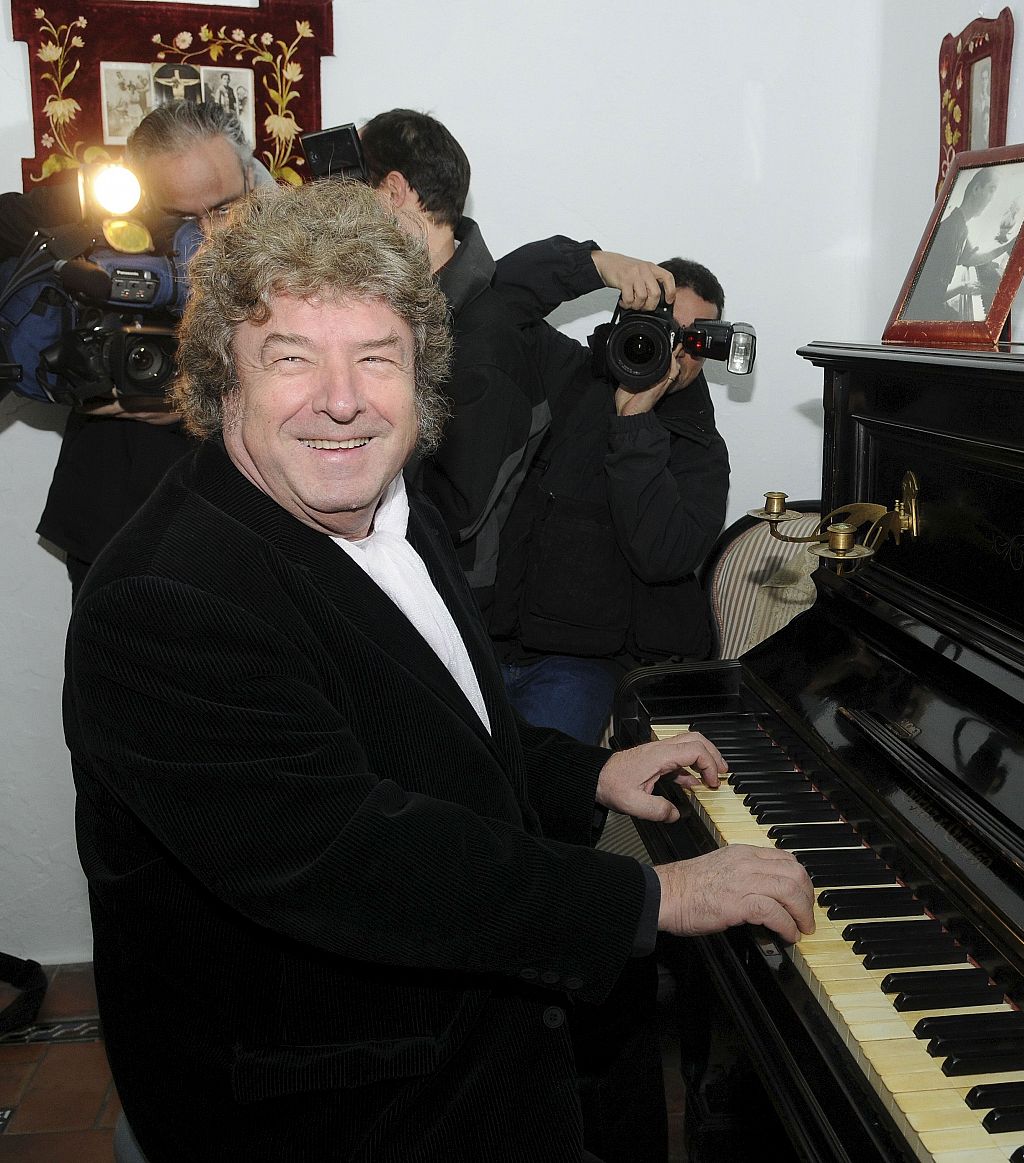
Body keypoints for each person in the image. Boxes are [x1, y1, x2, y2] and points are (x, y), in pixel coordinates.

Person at [63, 179, 814, 1162]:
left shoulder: (386, 508)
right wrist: (653, 899)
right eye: (291, 358)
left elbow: (433, 733)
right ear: (220, 379)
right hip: (336, 1115)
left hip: (468, 1063)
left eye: (377, 358)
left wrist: (574, 769)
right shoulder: (165, 598)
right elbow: (350, 855)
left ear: (420, 377)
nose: (342, 399)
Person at [18, 100, 269, 592]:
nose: (208, 235)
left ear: (249, 174)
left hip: (249, 521)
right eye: (180, 215)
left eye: (223, 209)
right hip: (115, 516)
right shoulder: (102, 214)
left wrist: (198, 402)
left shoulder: (300, 239)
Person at [491, 246, 733, 746]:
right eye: (664, 329)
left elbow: (662, 558)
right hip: (487, 640)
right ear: (627, 317)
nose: (676, 353)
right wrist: (595, 264)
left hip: (584, 664)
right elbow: (493, 302)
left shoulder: (701, 450)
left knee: (543, 793)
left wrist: (636, 423)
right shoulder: (564, 375)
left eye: (692, 340)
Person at [359, 108, 551, 613]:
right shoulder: (412, 307)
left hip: (440, 597)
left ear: (395, 190)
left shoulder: (482, 337)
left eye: (358, 194)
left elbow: (454, 511)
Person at [902, 164, 1014, 321]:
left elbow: (970, 258)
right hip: (922, 313)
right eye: (991, 190)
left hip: (926, 304)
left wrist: (1007, 246)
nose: (992, 199)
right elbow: (931, 299)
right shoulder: (952, 231)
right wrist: (962, 288)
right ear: (976, 189)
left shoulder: (958, 224)